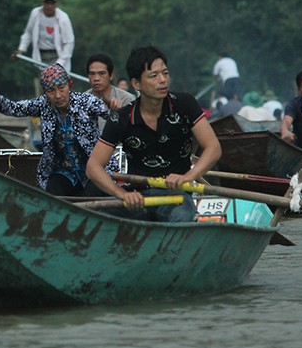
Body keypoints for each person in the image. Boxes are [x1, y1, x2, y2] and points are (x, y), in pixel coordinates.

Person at [86, 46, 221, 222]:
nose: (163, 80)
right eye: (153, 76)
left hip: (176, 197)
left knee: (181, 217)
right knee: (97, 219)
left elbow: (213, 147)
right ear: (136, 84)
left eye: (165, 73)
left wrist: (188, 177)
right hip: (137, 197)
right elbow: (93, 167)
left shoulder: (184, 104)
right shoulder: (121, 118)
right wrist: (120, 194)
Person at [0, 63, 116, 197]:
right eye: (51, 91)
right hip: (63, 171)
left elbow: (114, 118)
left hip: (94, 169)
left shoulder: (87, 101)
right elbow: (14, 108)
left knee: (92, 200)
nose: (57, 95)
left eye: (61, 88)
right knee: (51, 199)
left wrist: (114, 109)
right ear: (45, 93)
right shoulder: (42, 104)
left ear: (69, 85)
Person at [15, 0, 75, 73]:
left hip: (58, 56)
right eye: (47, 3)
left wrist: (59, 63)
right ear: (43, 3)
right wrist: (21, 50)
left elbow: (69, 43)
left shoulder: (63, 18)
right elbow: (28, 33)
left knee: (56, 83)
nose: (49, 6)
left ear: (56, 4)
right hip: (41, 56)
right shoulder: (35, 14)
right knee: (43, 83)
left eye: (52, 3)